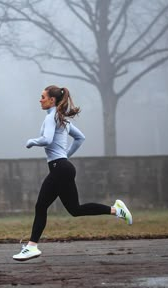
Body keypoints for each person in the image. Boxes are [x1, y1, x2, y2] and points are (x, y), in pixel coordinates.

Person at [13, 85, 132, 261]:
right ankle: (117, 210)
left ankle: (32, 246)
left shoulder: (51, 118)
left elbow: (46, 139)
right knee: (75, 209)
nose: (40, 99)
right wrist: (65, 156)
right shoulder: (61, 119)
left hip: (60, 168)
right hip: (63, 167)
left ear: (52, 100)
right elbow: (80, 138)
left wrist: (31, 141)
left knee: (41, 206)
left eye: (43, 97)